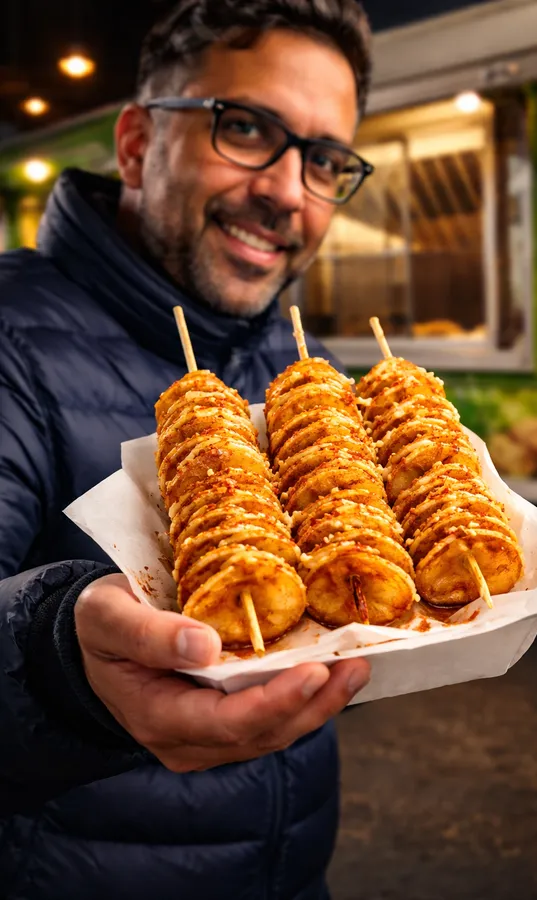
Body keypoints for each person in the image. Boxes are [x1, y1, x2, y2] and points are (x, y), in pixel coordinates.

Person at [0, 1, 375, 898]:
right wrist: (57, 662)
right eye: (244, 128)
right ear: (135, 145)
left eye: (324, 160)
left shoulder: (290, 360)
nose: (288, 189)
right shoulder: (8, 336)